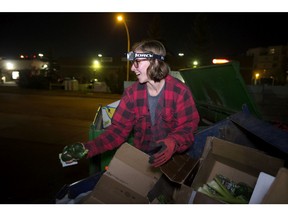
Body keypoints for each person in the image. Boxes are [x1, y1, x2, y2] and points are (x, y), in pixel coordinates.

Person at [61, 39, 200, 167]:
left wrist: (173, 142)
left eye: (137, 62)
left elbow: (188, 126)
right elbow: (117, 131)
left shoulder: (180, 92)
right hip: (144, 158)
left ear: (155, 62)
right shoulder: (132, 94)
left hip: (175, 158)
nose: (133, 68)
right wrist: (87, 148)